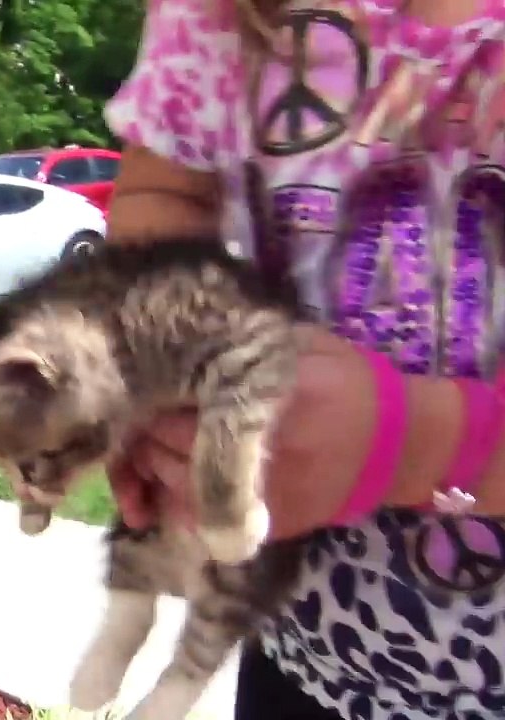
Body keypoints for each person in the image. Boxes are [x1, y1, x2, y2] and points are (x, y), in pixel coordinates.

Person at [102, 0, 505, 717]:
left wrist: (415, 439)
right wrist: (164, 367)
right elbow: (163, 190)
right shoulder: (226, 12)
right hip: (302, 659)